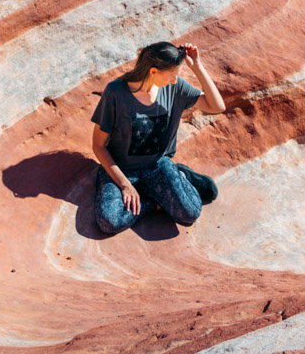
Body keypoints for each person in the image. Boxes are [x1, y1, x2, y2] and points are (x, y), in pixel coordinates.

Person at [90, 41, 226, 234]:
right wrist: (125, 185)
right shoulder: (115, 93)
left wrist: (197, 67)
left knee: (190, 213)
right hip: (121, 170)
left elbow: (217, 106)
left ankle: (182, 175)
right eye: (171, 75)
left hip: (156, 167)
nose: (174, 80)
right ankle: (155, 203)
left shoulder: (175, 88)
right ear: (153, 71)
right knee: (109, 222)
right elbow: (98, 145)